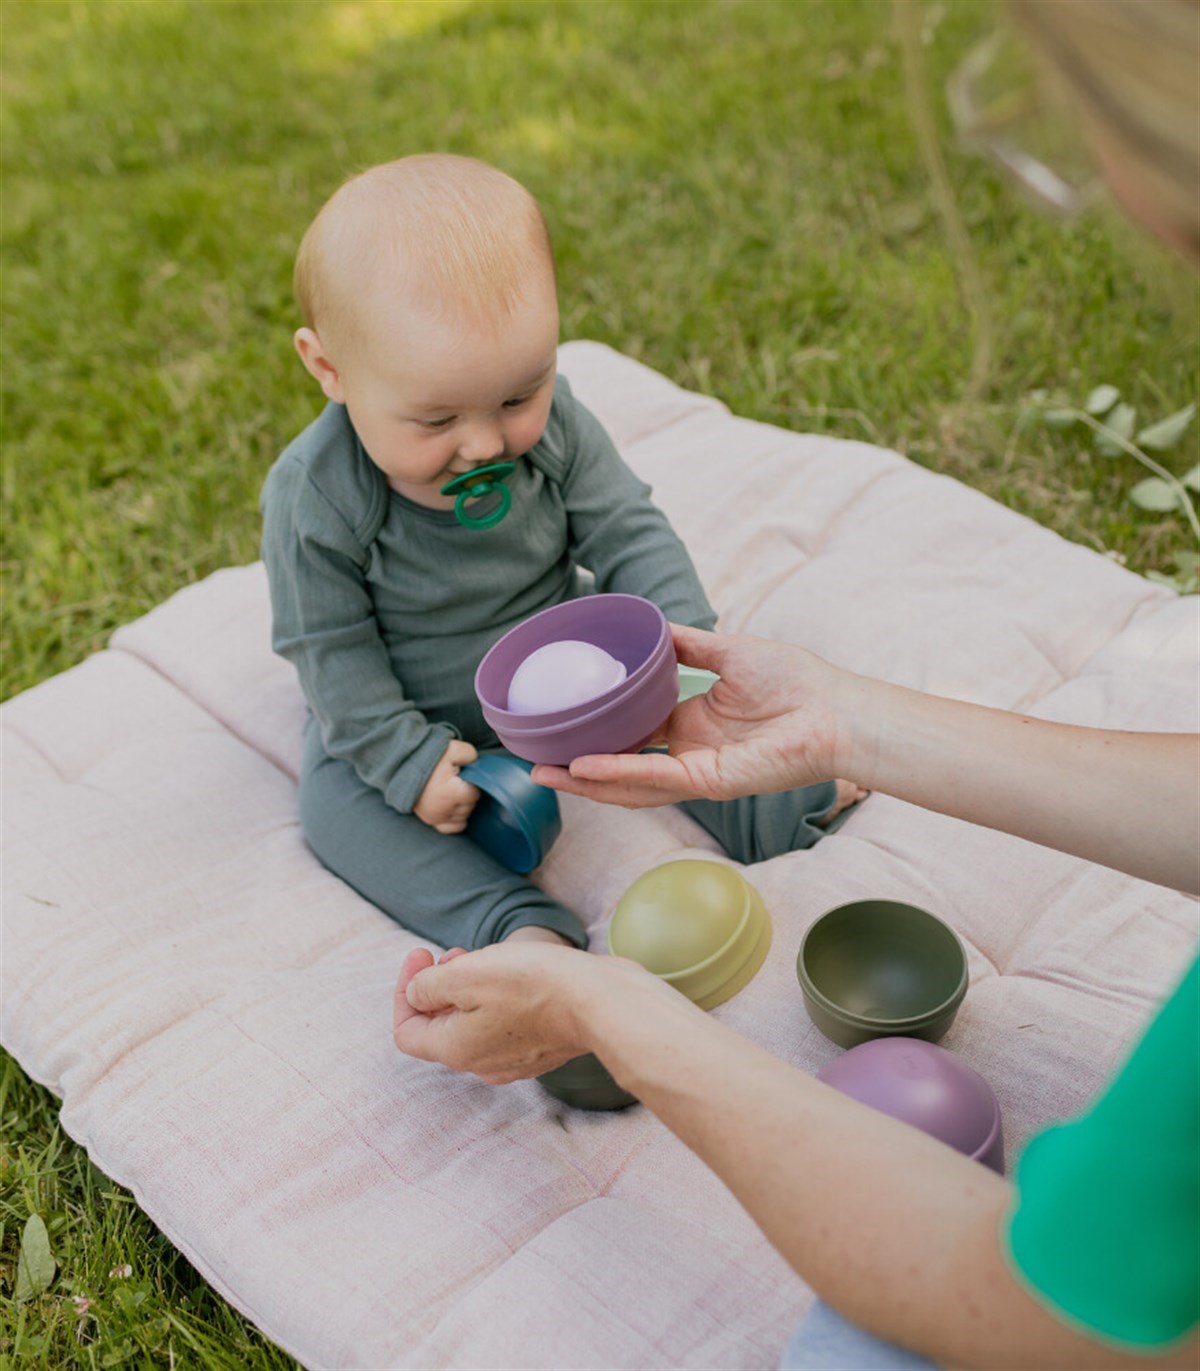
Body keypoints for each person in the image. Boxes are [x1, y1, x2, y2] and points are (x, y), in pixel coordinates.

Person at [391, 2, 1200, 1367]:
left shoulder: (565, 432)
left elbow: (1047, 1318)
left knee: (857, 1341)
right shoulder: (326, 497)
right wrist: (854, 722)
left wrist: (616, 1012)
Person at [260, 153, 862, 955]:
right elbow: (328, 649)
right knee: (337, 808)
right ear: (329, 368)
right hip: (413, 708)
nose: (483, 442)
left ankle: (782, 809)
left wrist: (678, 655)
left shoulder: (560, 427)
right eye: (436, 420)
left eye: (518, 396)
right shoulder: (316, 495)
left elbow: (627, 531)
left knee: (685, 723)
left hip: (569, 681)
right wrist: (404, 758)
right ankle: (510, 926)